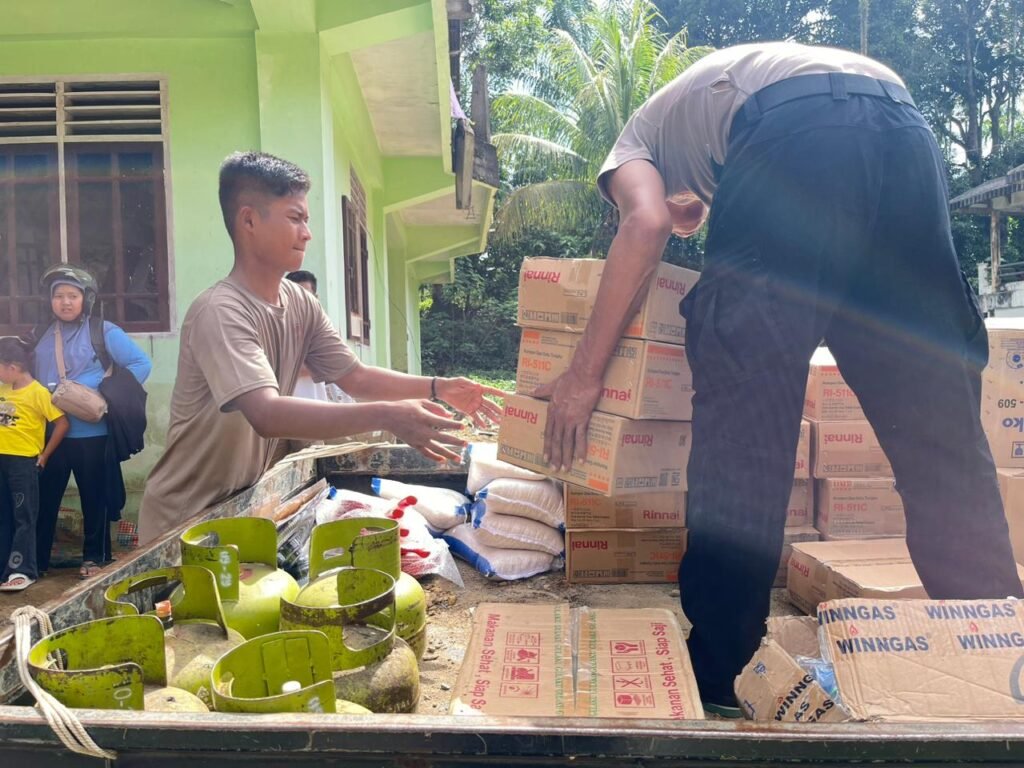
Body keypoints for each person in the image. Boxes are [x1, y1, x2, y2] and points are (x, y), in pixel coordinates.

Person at [536, 41, 1024, 715]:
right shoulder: (708, 108)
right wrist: (700, 207)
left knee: (748, 402)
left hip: (797, 129)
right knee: (932, 398)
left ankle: (727, 670)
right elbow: (683, 210)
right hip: (901, 125)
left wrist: (583, 376)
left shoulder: (631, 143)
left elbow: (644, 222)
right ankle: (996, 647)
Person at [138, 151, 504, 545]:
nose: (306, 233)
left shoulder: (300, 302)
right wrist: (388, 416)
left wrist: (438, 387)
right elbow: (266, 413)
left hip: (242, 509)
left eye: (306, 220)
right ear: (248, 220)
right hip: (184, 522)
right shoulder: (220, 311)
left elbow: (355, 378)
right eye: (295, 218)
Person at [32, 265, 152, 579]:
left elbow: (141, 363)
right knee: (45, 499)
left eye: (73, 296)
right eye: (58, 296)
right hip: (52, 434)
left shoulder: (102, 331)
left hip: (93, 434)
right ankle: (36, 561)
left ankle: (94, 559)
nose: (65, 302)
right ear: (50, 300)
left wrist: (106, 395)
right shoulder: (41, 336)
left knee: (94, 498)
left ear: (87, 299)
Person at [0, 338, 69, 592]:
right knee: (4, 516)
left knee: (24, 517)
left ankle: (22, 569)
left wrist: (45, 455)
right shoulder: (4, 389)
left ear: (13, 367)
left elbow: (62, 423)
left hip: (23, 462)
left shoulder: (38, 392)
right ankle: (3, 569)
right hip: (1, 460)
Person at [285, 269, 353, 404]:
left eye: (306, 296)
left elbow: (341, 365)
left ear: (316, 298)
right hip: (287, 414)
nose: (301, 302)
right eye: (295, 297)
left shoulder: (322, 328)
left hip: (319, 410)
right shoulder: (277, 328)